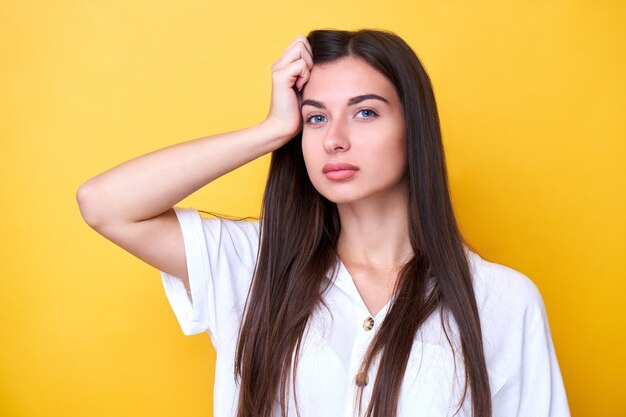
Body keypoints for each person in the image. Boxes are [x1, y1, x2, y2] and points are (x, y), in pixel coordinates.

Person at [76, 29, 570, 417]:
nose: (334, 139)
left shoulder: (501, 302)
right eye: (315, 118)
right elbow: (104, 204)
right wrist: (271, 130)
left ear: (412, 127)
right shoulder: (255, 265)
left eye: (365, 113)